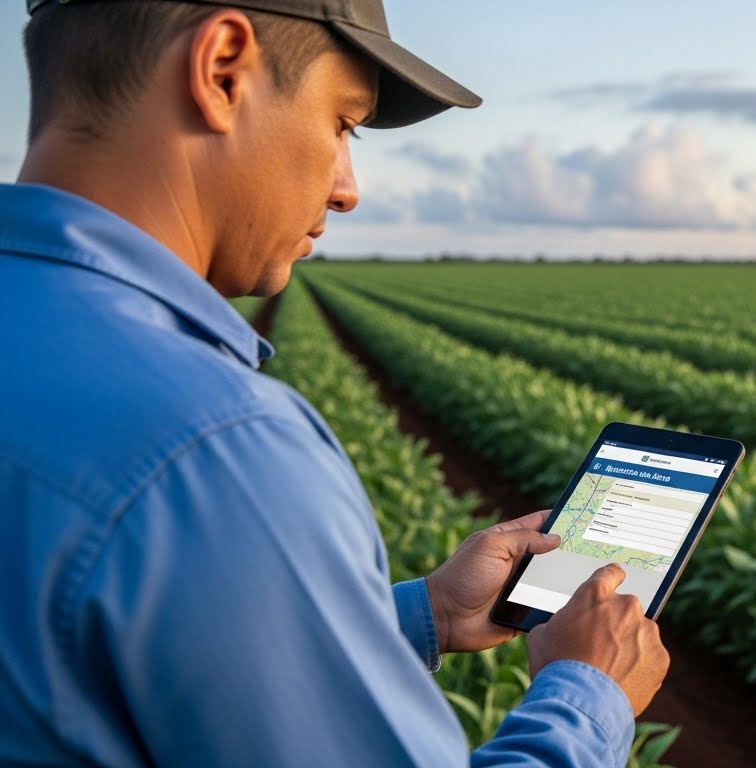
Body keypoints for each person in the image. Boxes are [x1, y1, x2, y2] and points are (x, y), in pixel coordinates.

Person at [0, 0, 670, 765]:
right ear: (222, 70)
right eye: (344, 123)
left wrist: (426, 615)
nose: (347, 188)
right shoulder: (214, 447)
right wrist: (588, 691)